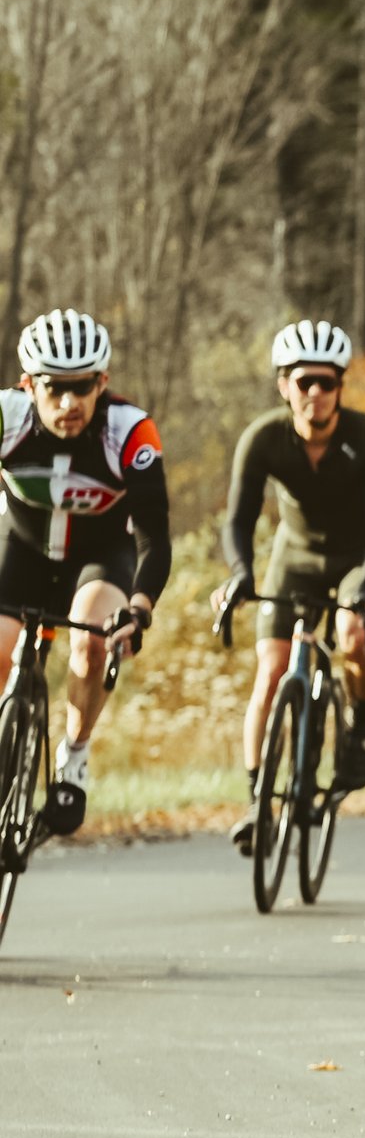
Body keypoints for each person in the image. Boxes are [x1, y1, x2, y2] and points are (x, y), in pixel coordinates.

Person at [219, 321, 365, 850]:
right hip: (293, 557)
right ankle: (258, 802)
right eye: (303, 383)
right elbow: (238, 520)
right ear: (284, 386)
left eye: (325, 382)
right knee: (272, 670)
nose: (314, 394)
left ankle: (360, 724)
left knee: (353, 636)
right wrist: (239, 574)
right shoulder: (263, 439)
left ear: (341, 386)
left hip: (359, 558)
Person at [0, 309, 167, 838]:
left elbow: (153, 538)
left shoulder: (129, 431)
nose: (70, 404)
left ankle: (73, 757)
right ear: (28, 384)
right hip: (21, 549)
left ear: (103, 382)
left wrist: (139, 609)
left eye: (83, 388)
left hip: (97, 558)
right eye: (55, 389)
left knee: (89, 642)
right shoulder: (7, 418)